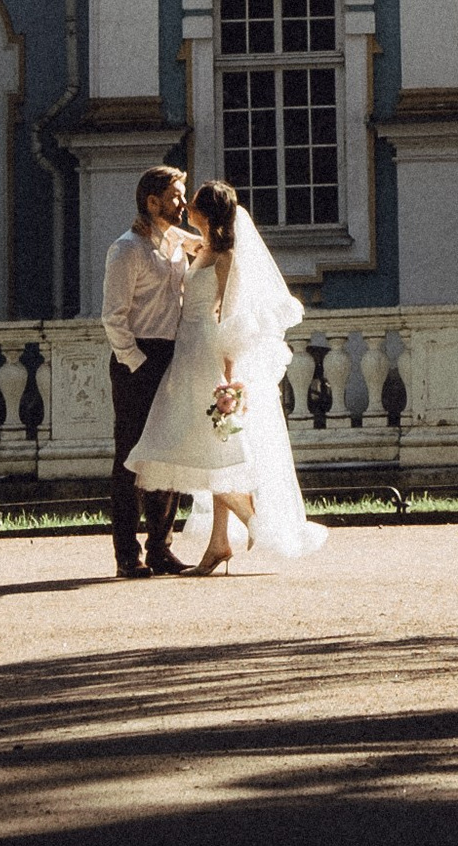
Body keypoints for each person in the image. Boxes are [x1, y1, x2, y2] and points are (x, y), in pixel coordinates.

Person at [125, 176, 329, 570]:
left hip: (207, 349)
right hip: (187, 348)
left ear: (207, 212)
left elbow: (232, 317)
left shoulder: (226, 257)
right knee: (209, 445)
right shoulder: (202, 246)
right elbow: (173, 236)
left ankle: (253, 519)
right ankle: (219, 542)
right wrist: (147, 226)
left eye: (193, 202)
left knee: (206, 443)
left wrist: (229, 375)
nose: (186, 206)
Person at [101, 163, 194, 578]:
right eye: (176, 196)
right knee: (131, 459)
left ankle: (160, 547)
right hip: (137, 360)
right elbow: (113, 317)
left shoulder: (176, 243)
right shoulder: (127, 249)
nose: (183, 203)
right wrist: (137, 364)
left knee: (168, 453)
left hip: (173, 357)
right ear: (152, 202)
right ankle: (127, 554)